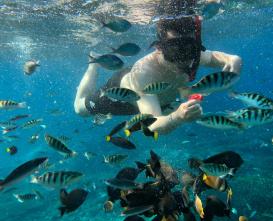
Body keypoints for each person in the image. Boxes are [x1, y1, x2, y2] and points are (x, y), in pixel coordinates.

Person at [74, 15, 242, 135]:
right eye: (175, 49)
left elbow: (217, 57)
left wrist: (234, 60)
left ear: (196, 45)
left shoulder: (194, 56)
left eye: (190, 48)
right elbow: (151, 124)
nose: (183, 59)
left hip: (161, 101)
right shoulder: (145, 73)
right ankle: (93, 66)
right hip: (122, 97)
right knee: (80, 109)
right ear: (159, 47)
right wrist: (176, 117)